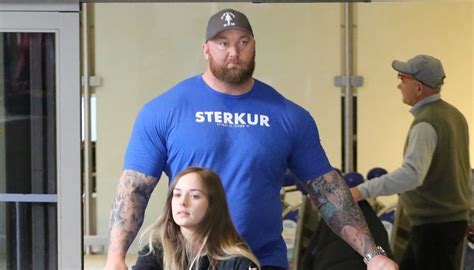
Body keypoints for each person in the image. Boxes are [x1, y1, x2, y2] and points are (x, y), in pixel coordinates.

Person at [105, 8, 398, 270]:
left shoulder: (289, 117)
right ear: (206, 49)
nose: (234, 52)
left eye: (243, 42)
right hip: (189, 261)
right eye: (223, 43)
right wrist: (115, 256)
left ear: (254, 46)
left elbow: (328, 191)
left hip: (262, 259)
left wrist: (372, 255)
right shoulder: (164, 111)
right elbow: (135, 189)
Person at [350, 55, 471, 270]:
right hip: (448, 223)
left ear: (418, 87)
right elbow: (461, 171)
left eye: (402, 79)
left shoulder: (426, 123)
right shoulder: (455, 116)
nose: (399, 86)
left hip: (434, 226)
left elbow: (412, 175)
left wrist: (360, 191)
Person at [132, 167, 259, 270]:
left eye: (194, 196)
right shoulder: (155, 252)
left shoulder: (237, 262)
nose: (182, 202)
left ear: (213, 205)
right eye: (177, 195)